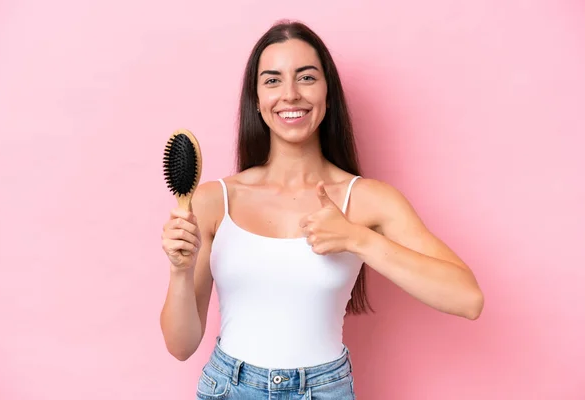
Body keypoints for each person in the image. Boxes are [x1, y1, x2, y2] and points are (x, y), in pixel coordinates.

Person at [160, 20, 484, 400]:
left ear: (328, 93)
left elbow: (468, 299)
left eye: (307, 77)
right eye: (272, 80)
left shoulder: (368, 200)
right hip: (227, 387)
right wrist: (181, 271)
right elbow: (180, 346)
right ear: (257, 99)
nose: (291, 94)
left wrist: (358, 239)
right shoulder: (214, 200)